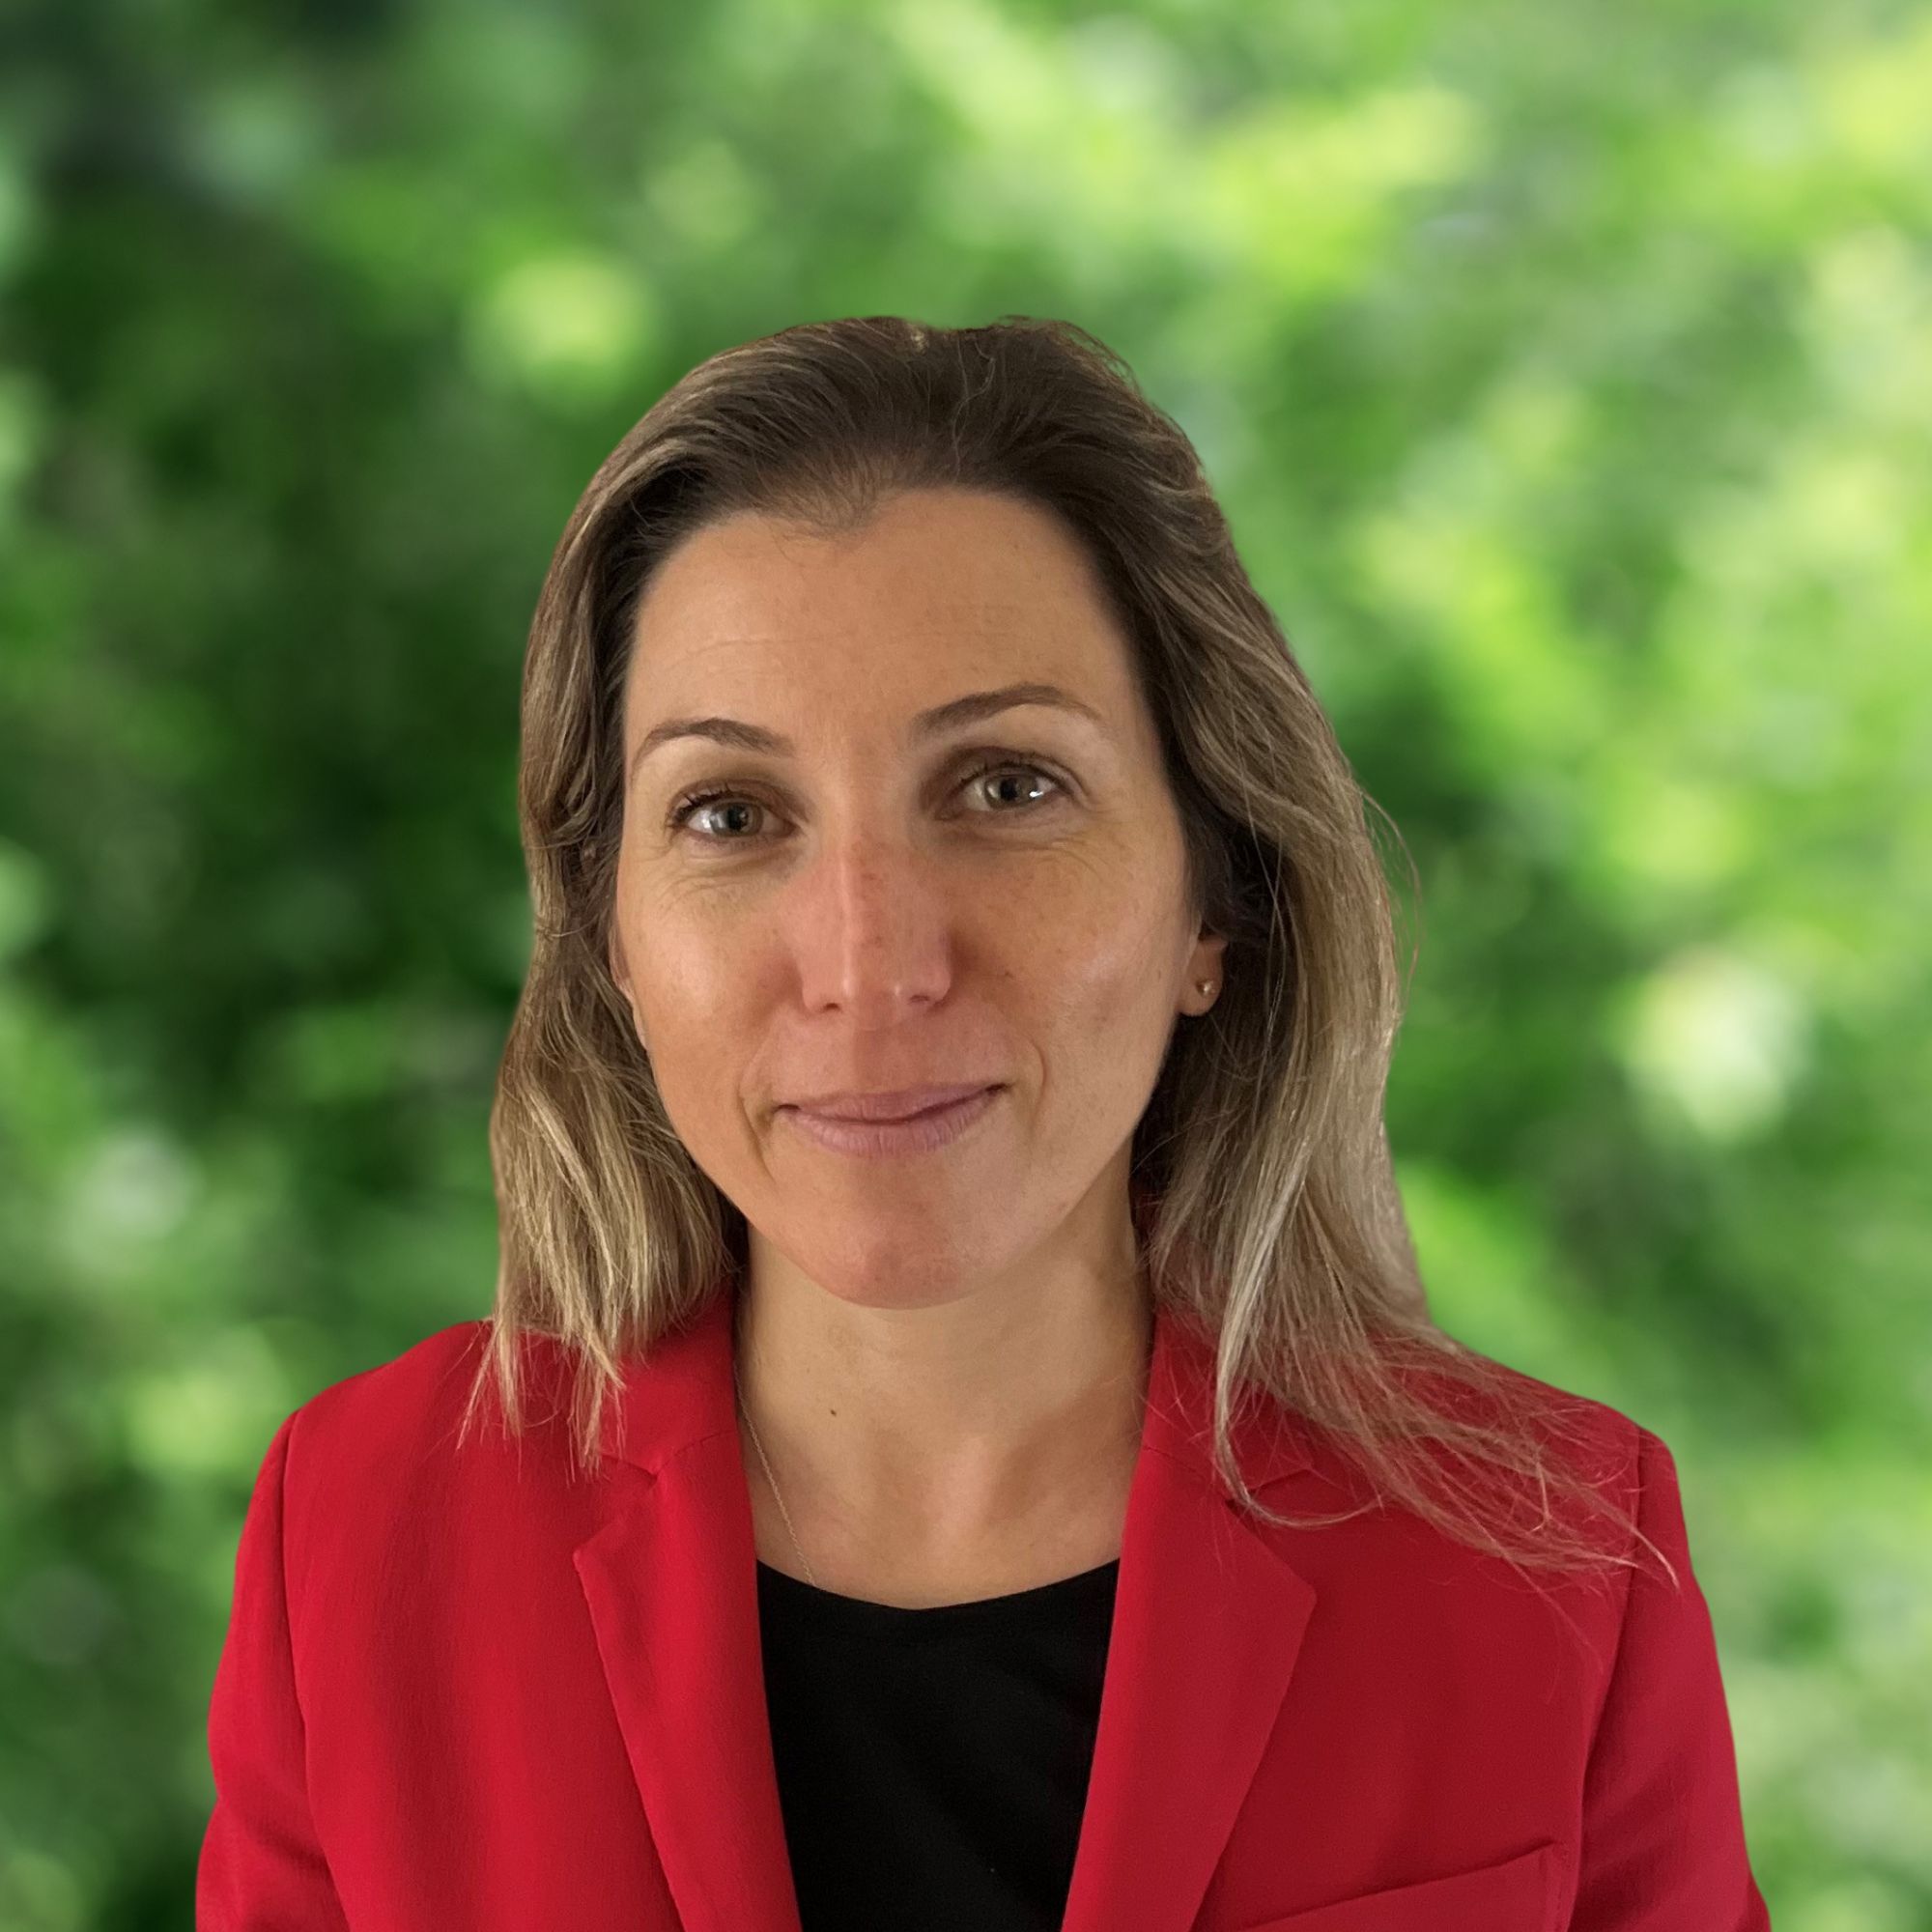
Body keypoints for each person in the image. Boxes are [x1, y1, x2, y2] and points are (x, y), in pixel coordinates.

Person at [197, 316, 1772, 1930]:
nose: (871, 963)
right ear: (611, 939)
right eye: (731, 814)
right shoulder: (364, 1535)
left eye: (1008, 788)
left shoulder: (1558, 1564)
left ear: (1213, 900)